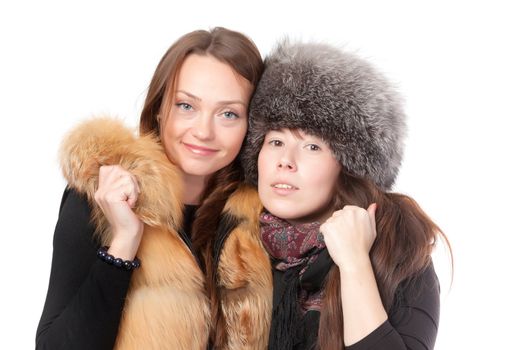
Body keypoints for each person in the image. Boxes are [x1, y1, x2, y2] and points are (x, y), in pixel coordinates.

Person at [36, 27, 273, 350]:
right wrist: (124, 240)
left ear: (252, 125)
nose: (203, 131)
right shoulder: (98, 196)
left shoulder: (267, 213)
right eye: (186, 106)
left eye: (228, 114)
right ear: (160, 107)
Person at [241, 41, 452, 350]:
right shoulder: (233, 242)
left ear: (348, 166)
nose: (285, 160)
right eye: (275, 141)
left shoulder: (396, 248)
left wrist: (354, 263)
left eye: (312, 146)